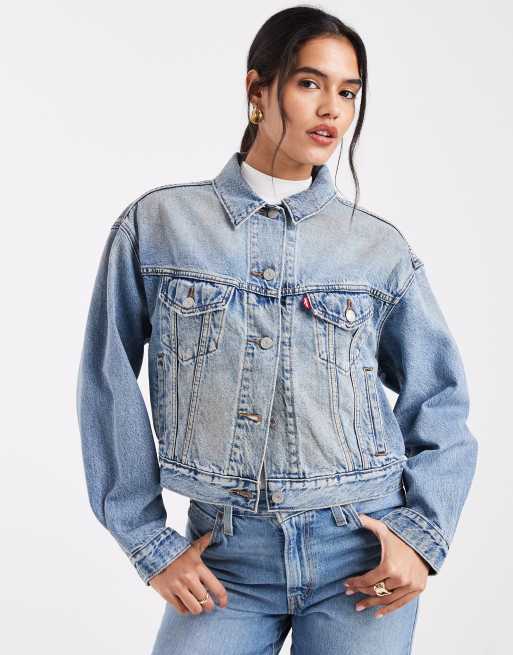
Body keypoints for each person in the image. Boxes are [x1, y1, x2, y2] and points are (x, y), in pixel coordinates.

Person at [76, 6, 478, 654]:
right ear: (258, 89)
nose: (331, 110)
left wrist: (421, 536)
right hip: (224, 559)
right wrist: (149, 543)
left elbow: (440, 396)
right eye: (309, 83)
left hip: (361, 555)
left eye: (348, 92)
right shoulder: (159, 225)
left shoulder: (376, 248)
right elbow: (106, 382)